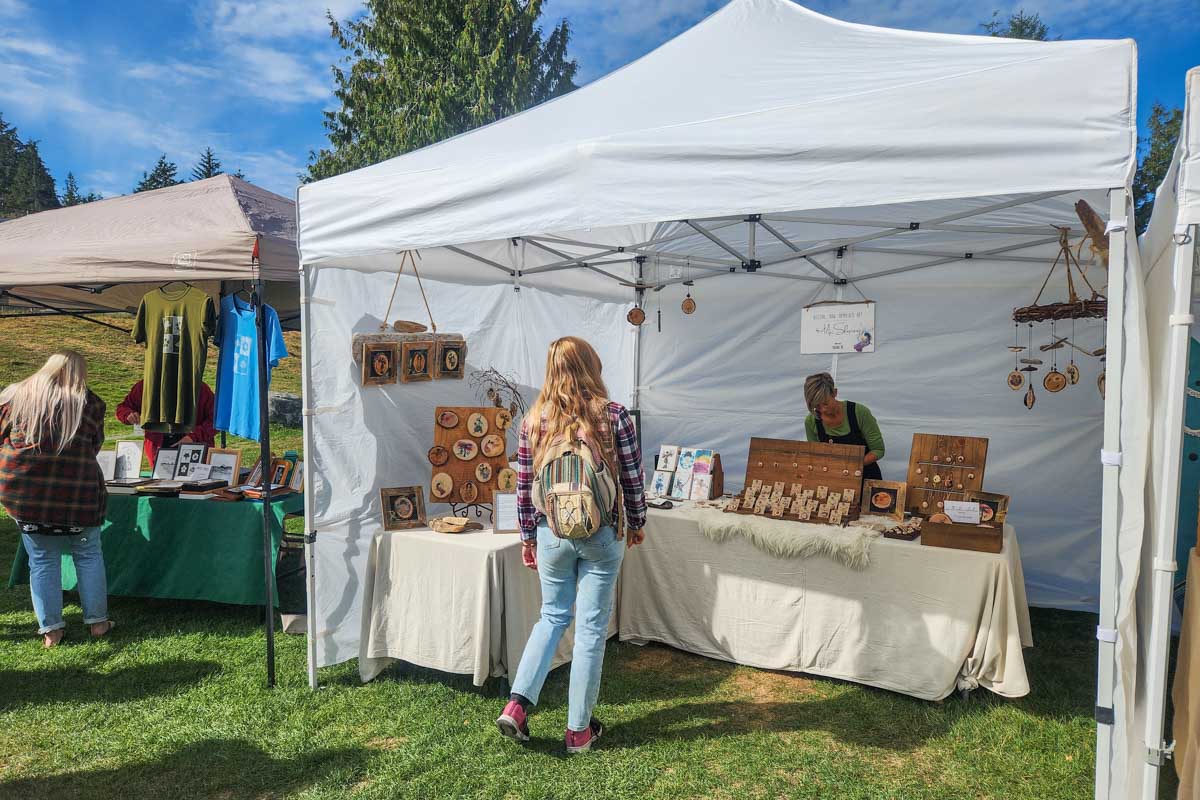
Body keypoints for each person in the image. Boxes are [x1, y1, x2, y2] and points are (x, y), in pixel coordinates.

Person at [496, 337, 646, 753]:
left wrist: (528, 536)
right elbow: (632, 478)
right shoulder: (614, 416)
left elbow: (525, 487)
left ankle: (518, 704)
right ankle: (578, 730)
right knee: (592, 630)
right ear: (592, 367)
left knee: (551, 617)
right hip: (601, 534)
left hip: (552, 533)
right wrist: (637, 523)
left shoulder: (533, 420)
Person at [0, 352, 113, 647]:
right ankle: (98, 623)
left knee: (42, 560)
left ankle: (51, 631)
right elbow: (94, 445)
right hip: (79, 495)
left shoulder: (16, 396)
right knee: (88, 555)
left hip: (26, 494)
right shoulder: (91, 403)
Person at [115, 380, 216, 470]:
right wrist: (128, 414)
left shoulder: (199, 388)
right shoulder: (145, 386)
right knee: (162, 486)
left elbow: (216, 418)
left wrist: (194, 437)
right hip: (159, 449)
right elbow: (123, 407)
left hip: (194, 449)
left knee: (192, 487)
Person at [803, 372, 885, 481]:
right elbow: (816, 455)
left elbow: (878, 450)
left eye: (825, 404)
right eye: (816, 406)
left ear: (835, 393)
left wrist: (851, 468)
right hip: (833, 480)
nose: (822, 410)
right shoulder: (811, 421)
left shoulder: (859, 412)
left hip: (866, 477)